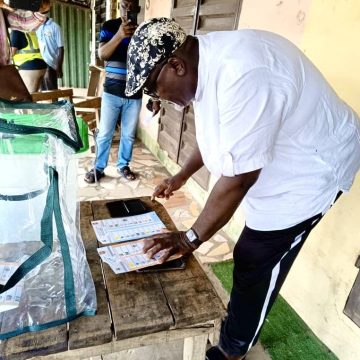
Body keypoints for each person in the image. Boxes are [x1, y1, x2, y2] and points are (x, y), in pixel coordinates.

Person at [125, 18, 360, 360]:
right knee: (250, 252)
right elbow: (216, 136)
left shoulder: (243, 74)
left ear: (175, 65)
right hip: (288, 159)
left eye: (151, 87)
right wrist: (181, 177)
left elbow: (239, 179)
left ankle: (234, 349)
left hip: (315, 169)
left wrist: (189, 238)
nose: (155, 97)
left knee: (255, 257)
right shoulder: (203, 61)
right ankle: (238, 331)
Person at [84, 0, 143, 183]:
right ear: (120, 7)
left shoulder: (143, 31)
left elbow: (148, 65)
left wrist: (155, 96)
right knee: (105, 133)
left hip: (135, 94)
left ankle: (123, 165)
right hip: (111, 93)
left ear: (138, 9)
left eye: (132, 6)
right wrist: (119, 35)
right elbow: (102, 55)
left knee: (128, 135)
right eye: (125, 5)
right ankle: (98, 168)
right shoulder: (109, 27)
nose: (128, 9)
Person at [36, 9, 63, 90]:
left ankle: (54, 103)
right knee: (42, 90)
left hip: (51, 64)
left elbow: (61, 48)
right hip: (39, 62)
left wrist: (59, 67)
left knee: (52, 90)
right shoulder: (36, 27)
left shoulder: (55, 27)